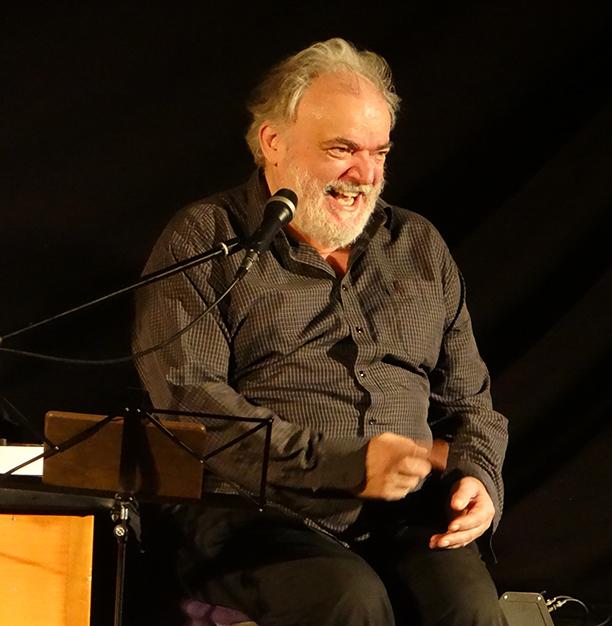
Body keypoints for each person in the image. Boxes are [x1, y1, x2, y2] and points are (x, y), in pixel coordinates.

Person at [132, 37, 509, 626]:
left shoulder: (418, 245)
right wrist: (344, 465)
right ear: (272, 142)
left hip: (401, 517)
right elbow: (193, 408)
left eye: (379, 152)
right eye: (342, 149)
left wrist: (480, 476)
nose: (366, 174)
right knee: (349, 601)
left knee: (471, 611)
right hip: (255, 515)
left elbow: (472, 403)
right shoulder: (206, 238)